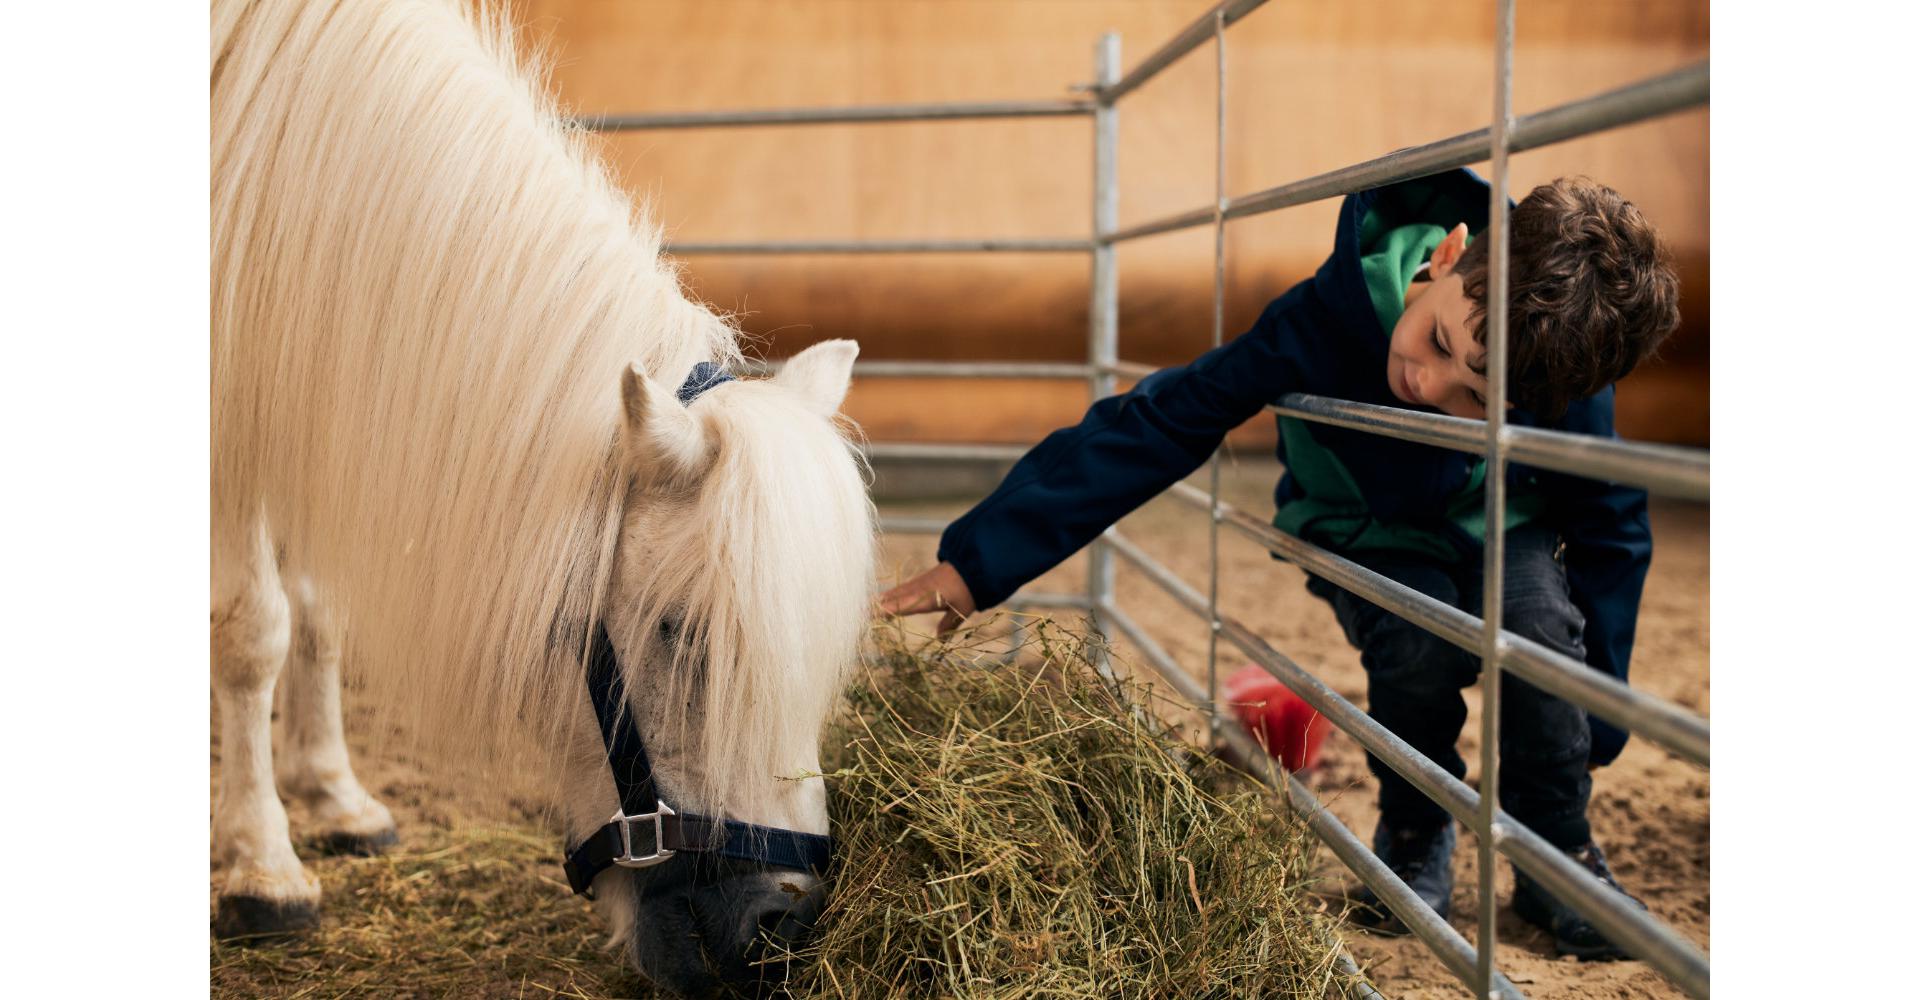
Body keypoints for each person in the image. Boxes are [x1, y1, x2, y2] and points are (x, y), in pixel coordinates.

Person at [876, 168, 1680, 960]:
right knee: (1414, 641)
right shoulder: (1321, 319)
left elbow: (1610, 523)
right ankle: (1415, 824)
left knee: (1540, 631)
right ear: (1446, 256)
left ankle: (1555, 852)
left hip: (1503, 520)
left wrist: (1592, 711)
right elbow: (1167, 418)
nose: (1429, 386)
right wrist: (979, 561)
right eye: (1438, 342)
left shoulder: (1561, 360)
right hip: (1367, 525)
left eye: (1477, 399)